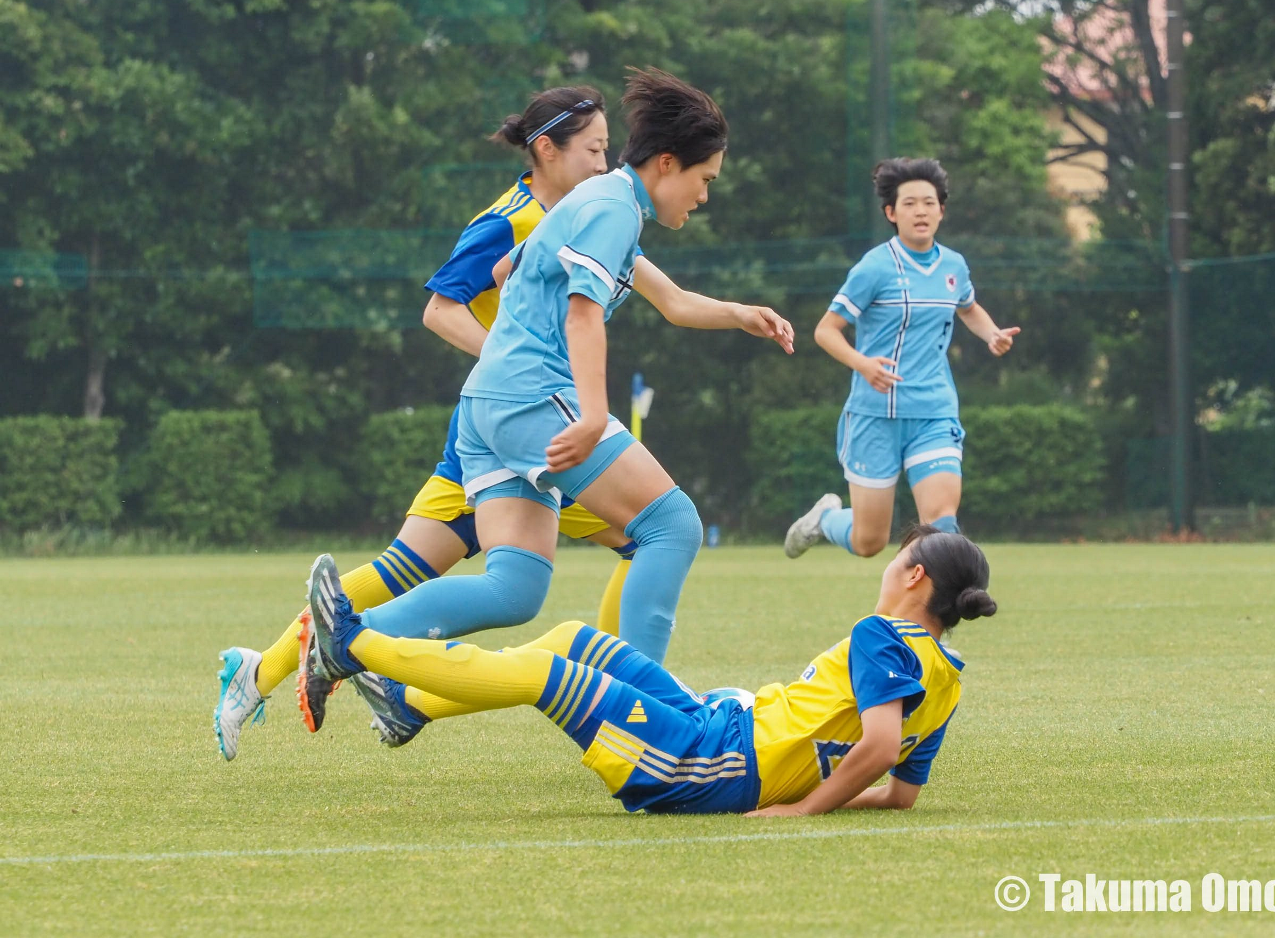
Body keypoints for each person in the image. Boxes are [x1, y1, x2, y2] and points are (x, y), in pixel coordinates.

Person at [298, 67, 794, 719]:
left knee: (515, 588)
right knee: (672, 526)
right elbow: (582, 314)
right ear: (668, 164)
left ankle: (348, 639)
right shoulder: (611, 208)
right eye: (704, 181)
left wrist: (739, 313)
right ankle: (649, 714)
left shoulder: (600, 206)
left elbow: (662, 300)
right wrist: (591, 413)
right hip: (533, 397)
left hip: (489, 405)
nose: (704, 197)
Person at [214, 85, 633, 762]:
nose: (606, 162)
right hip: (517, 431)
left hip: (523, 431)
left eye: (609, 149)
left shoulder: (584, 213)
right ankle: (628, 704)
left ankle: (266, 674)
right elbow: (441, 309)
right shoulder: (507, 220)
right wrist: (516, 363)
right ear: (547, 151)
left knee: (399, 571)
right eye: (594, 149)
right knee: (647, 533)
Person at [304, 523, 996, 814]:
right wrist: (822, 785)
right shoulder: (947, 672)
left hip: (709, 763)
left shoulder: (882, 636)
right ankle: (411, 706)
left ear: (911, 575)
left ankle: (352, 646)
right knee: (575, 639)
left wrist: (803, 806)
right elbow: (900, 793)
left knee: (548, 678)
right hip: (721, 729)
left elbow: (876, 746)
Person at [784, 158, 1019, 560]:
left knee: (941, 525)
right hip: (875, 415)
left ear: (942, 210)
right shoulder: (874, 268)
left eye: (929, 202)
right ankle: (825, 519)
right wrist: (864, 364)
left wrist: (992, 333)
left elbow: (968, 307)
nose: (921, 211)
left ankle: (933, 609)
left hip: (933, 411)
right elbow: (826, 330)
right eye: (909, 203)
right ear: (891, 213)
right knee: (869, 542)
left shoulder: (953, 266)